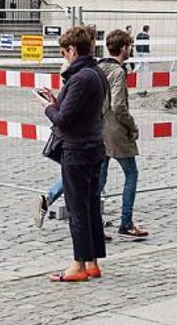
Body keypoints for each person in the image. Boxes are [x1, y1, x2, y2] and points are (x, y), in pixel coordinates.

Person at [37, 26, 109, 282]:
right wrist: (57, 100)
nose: (63, 57)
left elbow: (64, 120)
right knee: (90, 207)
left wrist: (48, 108)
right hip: (93, 146)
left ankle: (78, 265)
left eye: (64, 52)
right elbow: (79, 110)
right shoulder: (96, 73)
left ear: (73, 50)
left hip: (77, 149)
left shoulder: (80, 77)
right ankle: (92, 261)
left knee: (78, 209)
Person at [98, 30, 148, 238]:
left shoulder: (98, 67)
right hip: (116, 130)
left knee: (99, 179)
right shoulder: (118, 72)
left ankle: (95, 224)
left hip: (98, 129)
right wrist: (132, 125)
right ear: (125, 48)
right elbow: (118, 105)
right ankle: (126, 223)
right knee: (131, 174)